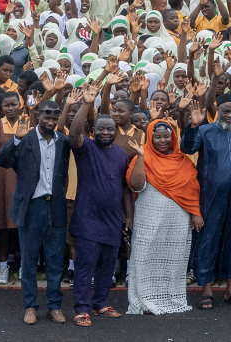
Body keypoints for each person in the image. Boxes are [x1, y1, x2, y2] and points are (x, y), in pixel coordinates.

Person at [0, 100, 73, 325]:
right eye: (46, 116)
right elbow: (1, 160)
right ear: (37, 115)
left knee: (55, 260)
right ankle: (30, 306)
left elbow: (63, 173)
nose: (50, 121)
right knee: (28, 260)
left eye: (54, 117)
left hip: (55, 206)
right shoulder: (25, 139)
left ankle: (54, 307)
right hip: (31, 207)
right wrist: (16, 139)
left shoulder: (64, 142)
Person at [181, 92, 231, 309]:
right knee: (207, 243)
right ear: (217, 111)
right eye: (225, 111)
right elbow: (187, 148)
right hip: (210, 199)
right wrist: (192, 126)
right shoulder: (205, 130)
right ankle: (207, 291)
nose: (230, 115)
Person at [66, 86, 131, 325]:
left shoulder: (121, 154)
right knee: (85, 267)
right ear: (93, 131)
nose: (106, 132)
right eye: (101, 128)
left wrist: (128, 216)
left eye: (110, 129)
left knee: (107, 267)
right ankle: (81, 308)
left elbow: (124, 189)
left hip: (113, 220)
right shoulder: (85, 148)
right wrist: (86, 103)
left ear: (116, 131)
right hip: (87, 219)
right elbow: (73, 134)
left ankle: (100, 304)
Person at [126, 118, 204, 314]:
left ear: (173, 137)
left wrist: (195, 213)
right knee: (145, 256)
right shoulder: (142, 158)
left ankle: (170, 297)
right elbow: (136, 186)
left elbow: (192, 189)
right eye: (157, 137)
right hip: (149, 217)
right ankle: (144, 300)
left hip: (177, 219)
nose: (162, 141)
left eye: (166, 137)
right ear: (150, 138)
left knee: (173, 258)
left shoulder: (183, 161)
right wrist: (142, 157)